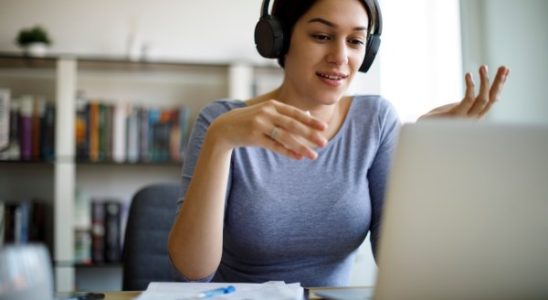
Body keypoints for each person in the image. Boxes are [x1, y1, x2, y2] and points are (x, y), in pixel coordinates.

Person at [168, 0, 510, 287]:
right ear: (279, 39)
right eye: (321, 36)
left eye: (356, 41)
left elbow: (401, 262)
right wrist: (220, 141)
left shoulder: (375, 121)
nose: (340, 57)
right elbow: (193, 270)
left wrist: (422, 158)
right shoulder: (222, 123)